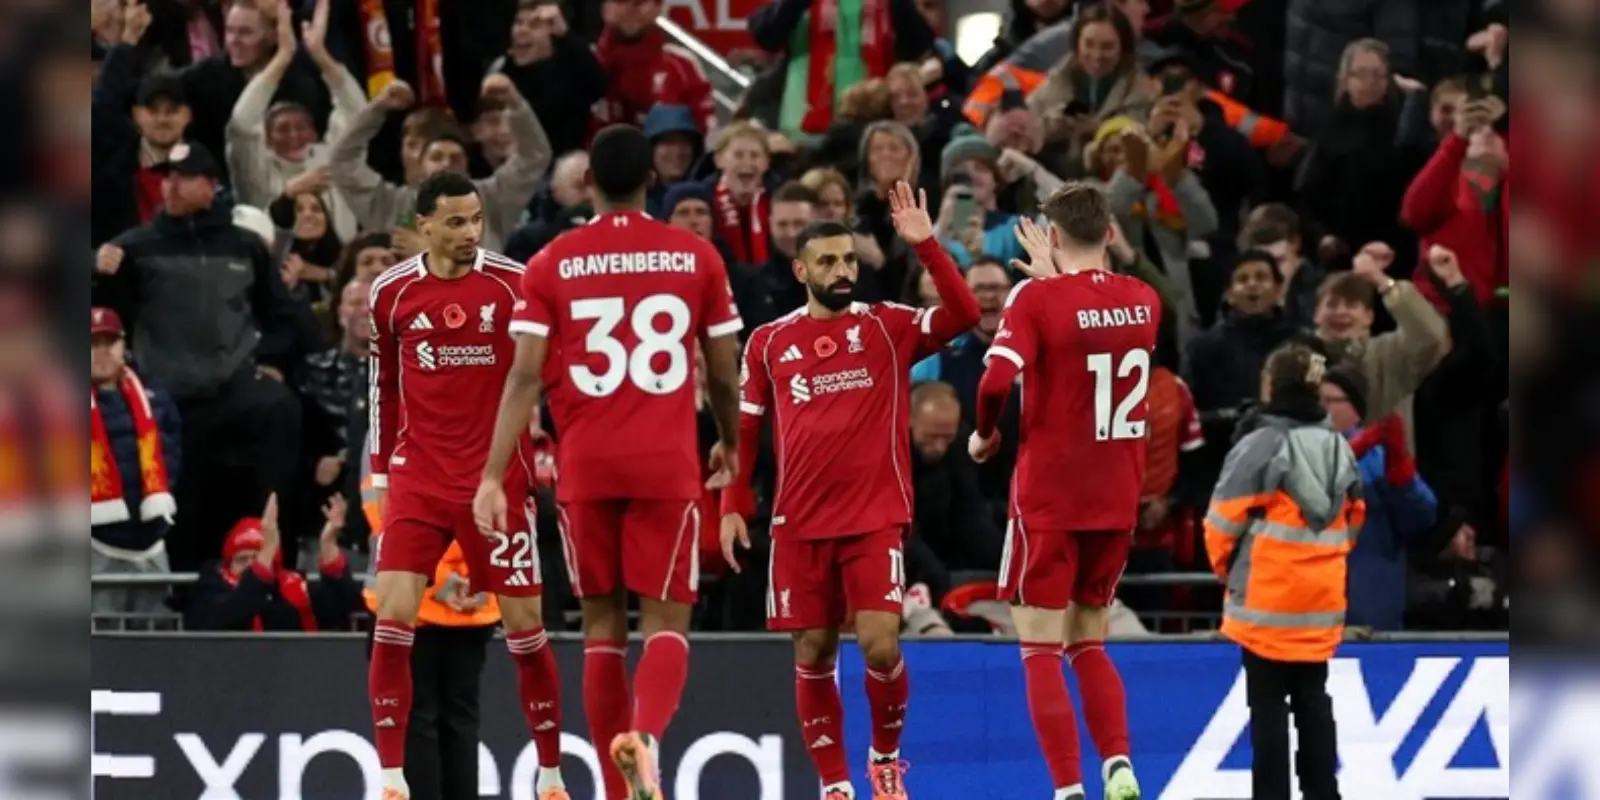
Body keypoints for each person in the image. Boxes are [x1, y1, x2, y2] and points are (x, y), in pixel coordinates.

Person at [473, 124, 745, 800]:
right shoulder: (696, 256)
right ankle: (644, 738)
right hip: (665, 462)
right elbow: (723, 371)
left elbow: (523, 377)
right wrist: (731, 439)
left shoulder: (549, 262)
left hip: (586, 464)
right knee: (666, 624)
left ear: (587, 182)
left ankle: (615, 791)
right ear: (652, 180)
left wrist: (492, 474)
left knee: (601, 629)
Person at [719, 181, 982, 800]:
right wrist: (733, 505)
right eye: (828, 262)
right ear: (801, 270)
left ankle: (884, 760)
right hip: (798, 523)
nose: (843, 271)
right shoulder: (768, 342)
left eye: (849, 260)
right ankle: (835, 785)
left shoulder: (887, 326)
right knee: (812, 651)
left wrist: (926, 246)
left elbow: (966, 315)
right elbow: (746, 434)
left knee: (880, 646)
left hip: (873, 518)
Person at [366, 172, 567, 800]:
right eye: (454, 222)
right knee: (393, 615)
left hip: (496, 483)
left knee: (526, 631)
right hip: (419, 476)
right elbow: (385, 387)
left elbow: (546, 374)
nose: (469, 232)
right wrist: (380, 473)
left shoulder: (514, 285)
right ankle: (392, 778)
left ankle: (551, 774)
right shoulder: (391, 293)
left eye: (476, 219)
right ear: (422, 225)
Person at [968, 184, 1159, 800]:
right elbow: (1090, 319)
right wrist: (1056, 282)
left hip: (1050, 497)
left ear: (1051, 237)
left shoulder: (1035, 300)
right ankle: (1119, 764)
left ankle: (1068, 788)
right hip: (1116, 496)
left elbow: (994, 382)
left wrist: (985, 435)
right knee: (1089, 640)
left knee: (1040, 648)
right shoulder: (1145, 300)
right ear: (1111, 233)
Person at [1203, 344, 1365, 800]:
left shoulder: (1260, 444)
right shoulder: (1338, 446)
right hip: (1321, 600)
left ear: (1271, 386)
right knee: (1314, 698)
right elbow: (1355, 516)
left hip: (1266, 599)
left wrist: (1231, 574)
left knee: (1268, 707)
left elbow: (1221, 522)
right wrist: (1324, 562)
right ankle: (1322, 792)